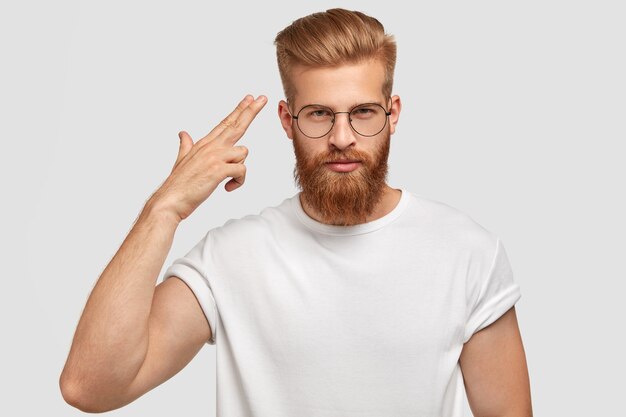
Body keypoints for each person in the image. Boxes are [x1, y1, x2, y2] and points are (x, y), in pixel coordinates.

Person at [59, 8, 533, 417]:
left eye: (363, 112)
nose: (343, 137)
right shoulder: (231, 258)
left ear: (394, 114)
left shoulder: (467, 252)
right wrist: (164, 208)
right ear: (288, 121)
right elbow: (90, 386)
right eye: (320, 114)